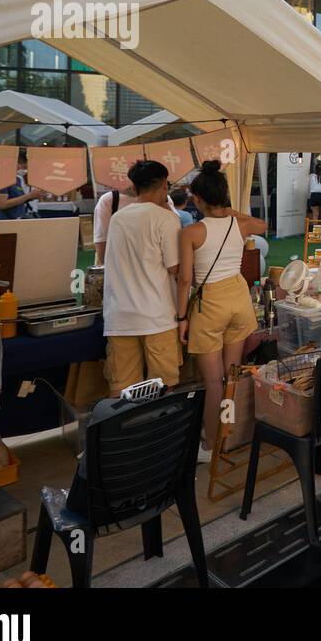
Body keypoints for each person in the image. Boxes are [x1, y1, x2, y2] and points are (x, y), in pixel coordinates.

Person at [175, 160, 267, 462]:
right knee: (231, 376)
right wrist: (232, 212)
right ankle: (228, 436)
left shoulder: (191, 232)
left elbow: (186, 279)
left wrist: (181, 318)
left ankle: (210, 444)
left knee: (213, 382)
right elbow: (262, 227)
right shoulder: (240, 224)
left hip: (209, 306)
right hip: (238, 300)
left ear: (198, 199)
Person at [101, 160, 182, 396]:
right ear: (164, 185)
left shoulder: (118, 218)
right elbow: (175, 267)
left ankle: (126, 432)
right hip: (156, 316)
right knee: (163, 387)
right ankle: (159, 432)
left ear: (135, 188)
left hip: (119, 317)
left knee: (122, 390)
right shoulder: (166, 218)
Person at [0, 149, 46, 221]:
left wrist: (33, 196)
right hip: (5, 223)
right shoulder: (0, 179)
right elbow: (2, 204)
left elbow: (19, 199)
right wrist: (29, 195)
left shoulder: (18, 179)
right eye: (22, 165)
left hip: (19, 220)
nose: (23, 169)